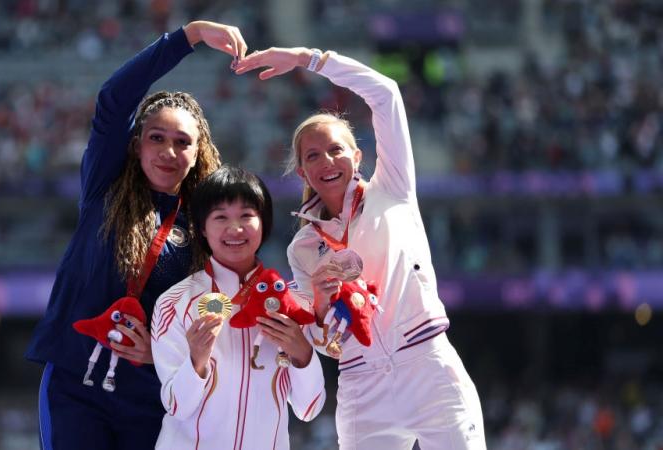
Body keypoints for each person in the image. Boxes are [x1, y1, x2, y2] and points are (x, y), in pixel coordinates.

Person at [235, 48, 486, 449]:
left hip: (427, 365)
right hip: (360, 384)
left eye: (336, 150)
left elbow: (385, 93)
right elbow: (322, 340)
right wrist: (318, 299)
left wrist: (307, 59)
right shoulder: (303, 247)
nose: (327, 161)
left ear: (357, 155)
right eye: (313, 156)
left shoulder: (393, 189)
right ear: (302, 172)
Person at [24, 21, 247, 450]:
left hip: (151, 396)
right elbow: (113, 99)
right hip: (75, 388)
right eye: (156, 138)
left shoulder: (207, 224)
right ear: (135, 145)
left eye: (183, 142)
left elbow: (221, 303)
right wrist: (190, 36)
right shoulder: (103, 187)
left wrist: (164, 352)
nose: (167, 151)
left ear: (198, 153)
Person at [150, 166, 325, 449]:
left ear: (264, 224)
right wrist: (196, 361)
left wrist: (303, 353)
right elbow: (176, 405)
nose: (235, 228)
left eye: (247, 215)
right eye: (220, 217)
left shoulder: (291, 304)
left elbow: (309, 409)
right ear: (202, 229)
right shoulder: (174, 303)